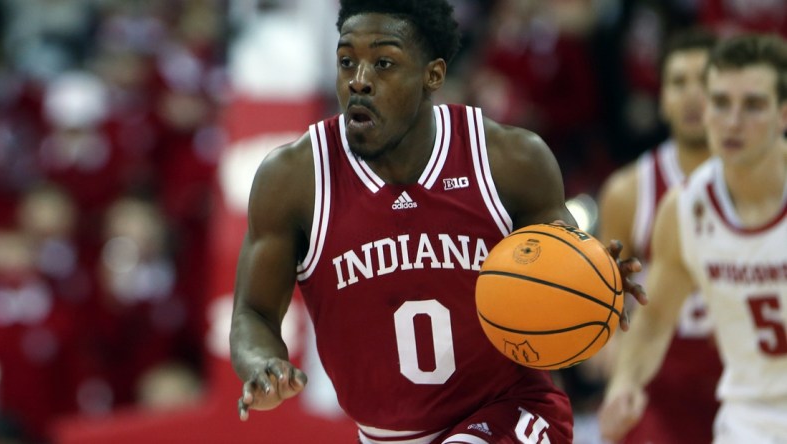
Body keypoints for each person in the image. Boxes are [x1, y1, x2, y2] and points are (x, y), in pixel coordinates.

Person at [229, 1, 645, 443]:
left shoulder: (508, 160)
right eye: (346, 61)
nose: (359, 80)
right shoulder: (294, 179)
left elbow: (567, 269)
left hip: (512, 409)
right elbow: (252, 312)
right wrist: (262, 365)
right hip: (384, 434)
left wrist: (593, 280)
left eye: (384, 63)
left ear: (433, 75)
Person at [599, 33, 787, 443]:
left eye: (753, 105)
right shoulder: (682, 208)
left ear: (783, 114)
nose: (733, 121)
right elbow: (655, 320)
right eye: (720, 103)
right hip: (747, 415)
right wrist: (625, 381)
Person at [594, 28, 723, 443]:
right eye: (678, 83)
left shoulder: (764, 183)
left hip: (744, 374)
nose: (691, 96)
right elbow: (599, 300)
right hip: (658, 384)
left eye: (704, 82)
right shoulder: (629, 191)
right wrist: (608, 352)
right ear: (662, 97)